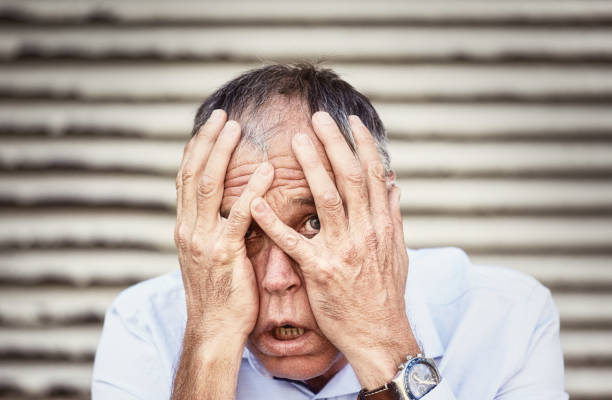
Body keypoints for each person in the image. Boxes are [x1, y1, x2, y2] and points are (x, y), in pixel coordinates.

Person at [92, 64, 568, 400]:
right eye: (243, 229)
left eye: (314, 221)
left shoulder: (506, 316)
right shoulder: (146, 323)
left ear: (382, 216)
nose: (278, 277)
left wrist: (383, 342)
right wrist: (211, 339)